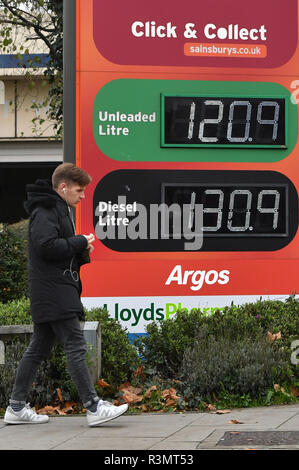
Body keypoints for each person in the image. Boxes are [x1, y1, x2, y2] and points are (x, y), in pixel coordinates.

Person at [4, 163, 128, 426]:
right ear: (63, 187)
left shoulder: (53, 209)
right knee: (75, 343)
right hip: (54, 292)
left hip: (49, 290)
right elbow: (46, 246)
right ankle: (94, 408)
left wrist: (79, 251)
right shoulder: (47, 210)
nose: (82, 196)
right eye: (79, 190)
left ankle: (15, 407)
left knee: (38, 348)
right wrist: (79, 241)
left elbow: (51, 252)